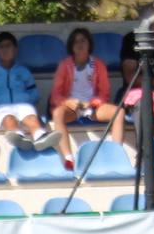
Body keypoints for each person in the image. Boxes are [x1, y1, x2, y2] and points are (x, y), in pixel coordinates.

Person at [47, 27, 116, 168]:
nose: (79, 44)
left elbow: (105, 92)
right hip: (72, 108)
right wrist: (68, 102)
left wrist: (94, 103)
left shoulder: (98, 64)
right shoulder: (65, 65)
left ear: (89, 44)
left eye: (83, 41)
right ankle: (68, 158)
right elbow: (56, 94)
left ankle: (116, 155)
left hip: (93, 107)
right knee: (57, 113)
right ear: (71, 46)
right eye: (76, 42)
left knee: (118, 113)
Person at [0, 32, 58, 152]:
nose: (5, 50)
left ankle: (41, 137)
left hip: (23, 105)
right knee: (9, 118)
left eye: (8, 46)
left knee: (31, 117)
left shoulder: (23, 71)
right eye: (1, 47)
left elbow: (35, 94)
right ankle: (19, 137)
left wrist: (25, 98)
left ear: (15, 49)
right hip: (0, 107)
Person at [110, 45, 154, 147]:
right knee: (143, 102)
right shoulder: (132, 40)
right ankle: (144, 150)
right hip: (138, 94)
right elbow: (131, 77)